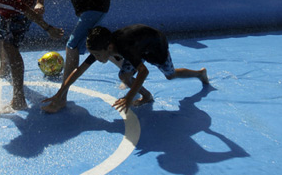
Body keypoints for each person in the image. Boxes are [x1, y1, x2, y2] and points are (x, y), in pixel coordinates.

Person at [41, 24, 209, 113]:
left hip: (156, 46)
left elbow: (144, 71)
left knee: (170, 75)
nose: (96, 58)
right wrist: (60, 92)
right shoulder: (102, 46)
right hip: (139, 46)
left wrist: (128, 97)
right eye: (94, 55)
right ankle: (147, 96)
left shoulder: (124, 48)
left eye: (97, 55)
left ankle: (200, 73)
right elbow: (79, 70)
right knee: (124, 76)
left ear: (109, 48)